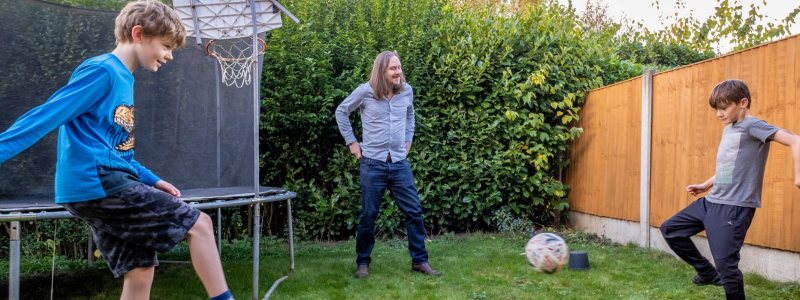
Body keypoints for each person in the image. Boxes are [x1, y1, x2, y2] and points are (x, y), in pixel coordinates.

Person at [0, 1, 234, 299]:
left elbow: (117, 151)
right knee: (200, 224)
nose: (169, 55)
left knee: (139, 270)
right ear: (139, 34)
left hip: (99, 185)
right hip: (100, 183)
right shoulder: (103, 72)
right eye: (165, 46)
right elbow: (46, 116)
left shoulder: (124, 77)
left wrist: (152, 179)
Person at [659, 79, 800, 300]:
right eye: (716, 109)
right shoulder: (730, 128)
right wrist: (707, 184)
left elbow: (796, 141)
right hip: (712, 202)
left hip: (733, 208)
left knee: (727, 268)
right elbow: (730, 165)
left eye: (723, 108)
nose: (718, 114)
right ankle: (706, 273)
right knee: (671, 229)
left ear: (743, 102)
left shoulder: (754, 125)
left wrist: (798, 175)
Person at [335, 50, 441, 278]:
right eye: (393, 68)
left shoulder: (407, 91)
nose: (398, 72)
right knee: (369, 215)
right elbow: (341, 111)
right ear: (381, 71)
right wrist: (352, 142)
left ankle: (420, 261)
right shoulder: (365, 92)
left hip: (400, 163)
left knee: (414, 211)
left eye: (399, 67)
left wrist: (408, 140)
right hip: (373, 164)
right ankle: (363, 263)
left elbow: (410, 116)